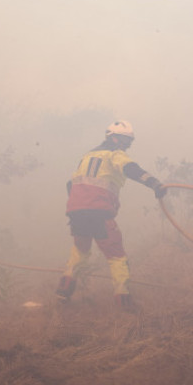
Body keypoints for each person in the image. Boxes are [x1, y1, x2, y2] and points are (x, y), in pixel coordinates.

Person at [56, 121, 166, 310]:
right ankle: (123, 300)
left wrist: (78, 208)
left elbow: (69, 183)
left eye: (130, 141)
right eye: (125, 140)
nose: (128, 145)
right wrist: (154, 183)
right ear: (113, 138)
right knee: (116, 256)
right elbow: (131, 170)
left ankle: (63, 290)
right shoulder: (115, 154)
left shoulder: (87, 156)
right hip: (99, 211)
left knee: (81, 250)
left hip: (76, 210)